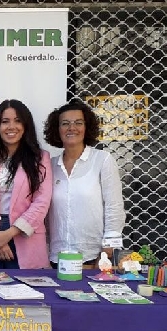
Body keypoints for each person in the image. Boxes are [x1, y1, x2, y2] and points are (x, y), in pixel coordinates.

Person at [0, 99, 52, 269]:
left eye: (17, 121)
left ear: (26, 125)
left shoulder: (40, 158)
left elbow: (42, 202)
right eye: (5, 122)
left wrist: (8, 234)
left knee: (26, 292)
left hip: (25, 236)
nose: (11, 127)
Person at [43, 100, 125, 267]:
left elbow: (114, 207)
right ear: (57, 130)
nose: (72, 128)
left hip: (93, 257)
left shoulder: (102, 160)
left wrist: (106, 251)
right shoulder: (49, 166)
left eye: (78, 123)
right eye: (65, 123)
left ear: (86, 127)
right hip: (56, 258)